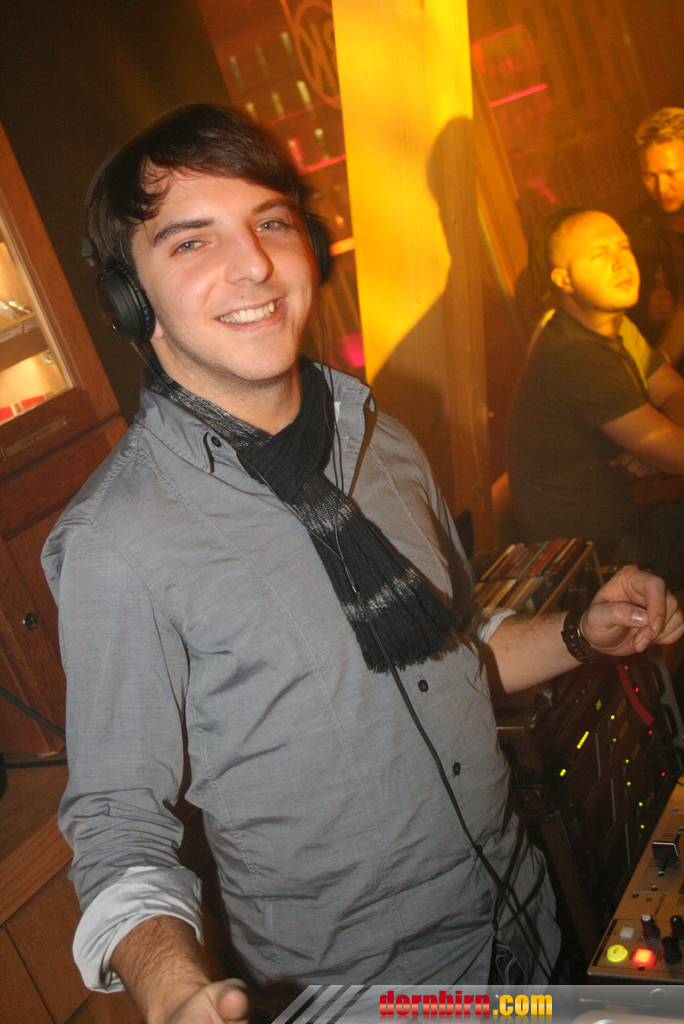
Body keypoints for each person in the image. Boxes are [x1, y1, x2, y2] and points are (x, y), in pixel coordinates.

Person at [42, 106, 684, 1024]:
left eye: (271, 222)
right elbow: (116, 828)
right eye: (192, 241)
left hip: (527, 931)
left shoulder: (381, 438)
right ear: (129, 300)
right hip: (373, 999)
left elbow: (452, 649)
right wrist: (174, 988)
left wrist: (582, 634)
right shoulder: (118, 541)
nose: (254, 264)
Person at [507, 207, 684, 586]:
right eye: (600, 254)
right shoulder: (573, 352)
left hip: (628, 527)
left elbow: (674, 390)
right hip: (592, 567)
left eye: (624, 247)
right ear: (563, 279)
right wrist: (663, 448)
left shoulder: (611, 327)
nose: (621, 262)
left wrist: (657, 446)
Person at [621, 107, 684, 367]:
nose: (661, 188)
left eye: (671, 173)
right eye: (651, 176)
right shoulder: (630, 233)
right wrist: (648, 317)